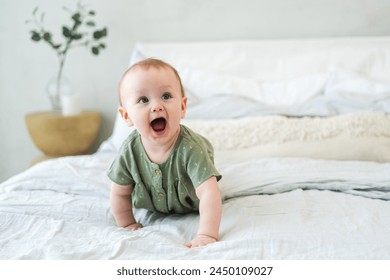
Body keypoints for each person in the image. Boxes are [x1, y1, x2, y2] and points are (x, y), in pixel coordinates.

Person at [107, 58, 222, 248]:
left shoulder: (191, 149)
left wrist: (207, 235)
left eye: (166, 96)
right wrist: (127, 223)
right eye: (143, 100)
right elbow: (119, 193)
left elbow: (210, 194)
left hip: (190, 201)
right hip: (152, 202)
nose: (157, 106)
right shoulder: (129, 151)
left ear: (183, 107)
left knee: (205, 173)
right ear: (127, 116)